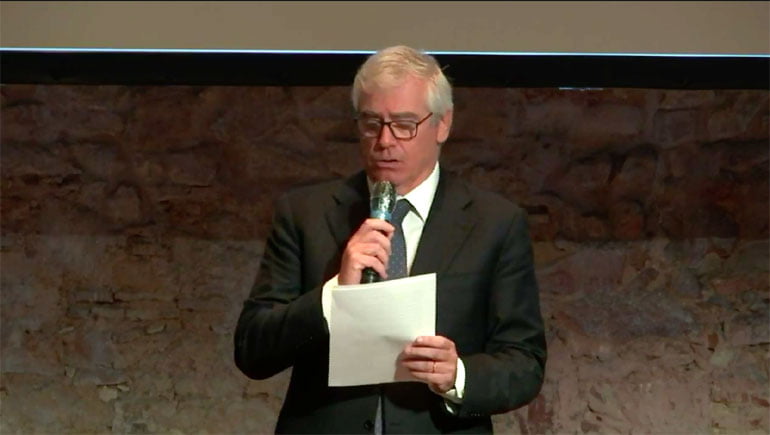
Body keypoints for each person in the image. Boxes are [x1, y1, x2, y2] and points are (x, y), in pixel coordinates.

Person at [234, 45, 546, 434]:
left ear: (443, 124)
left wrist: (458, 375)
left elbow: (525, 362)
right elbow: (252, 350)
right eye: (371, 123)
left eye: (404, 124)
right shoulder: (305, 214)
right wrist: (332, 297)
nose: (384, 140)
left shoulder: (495, 223)